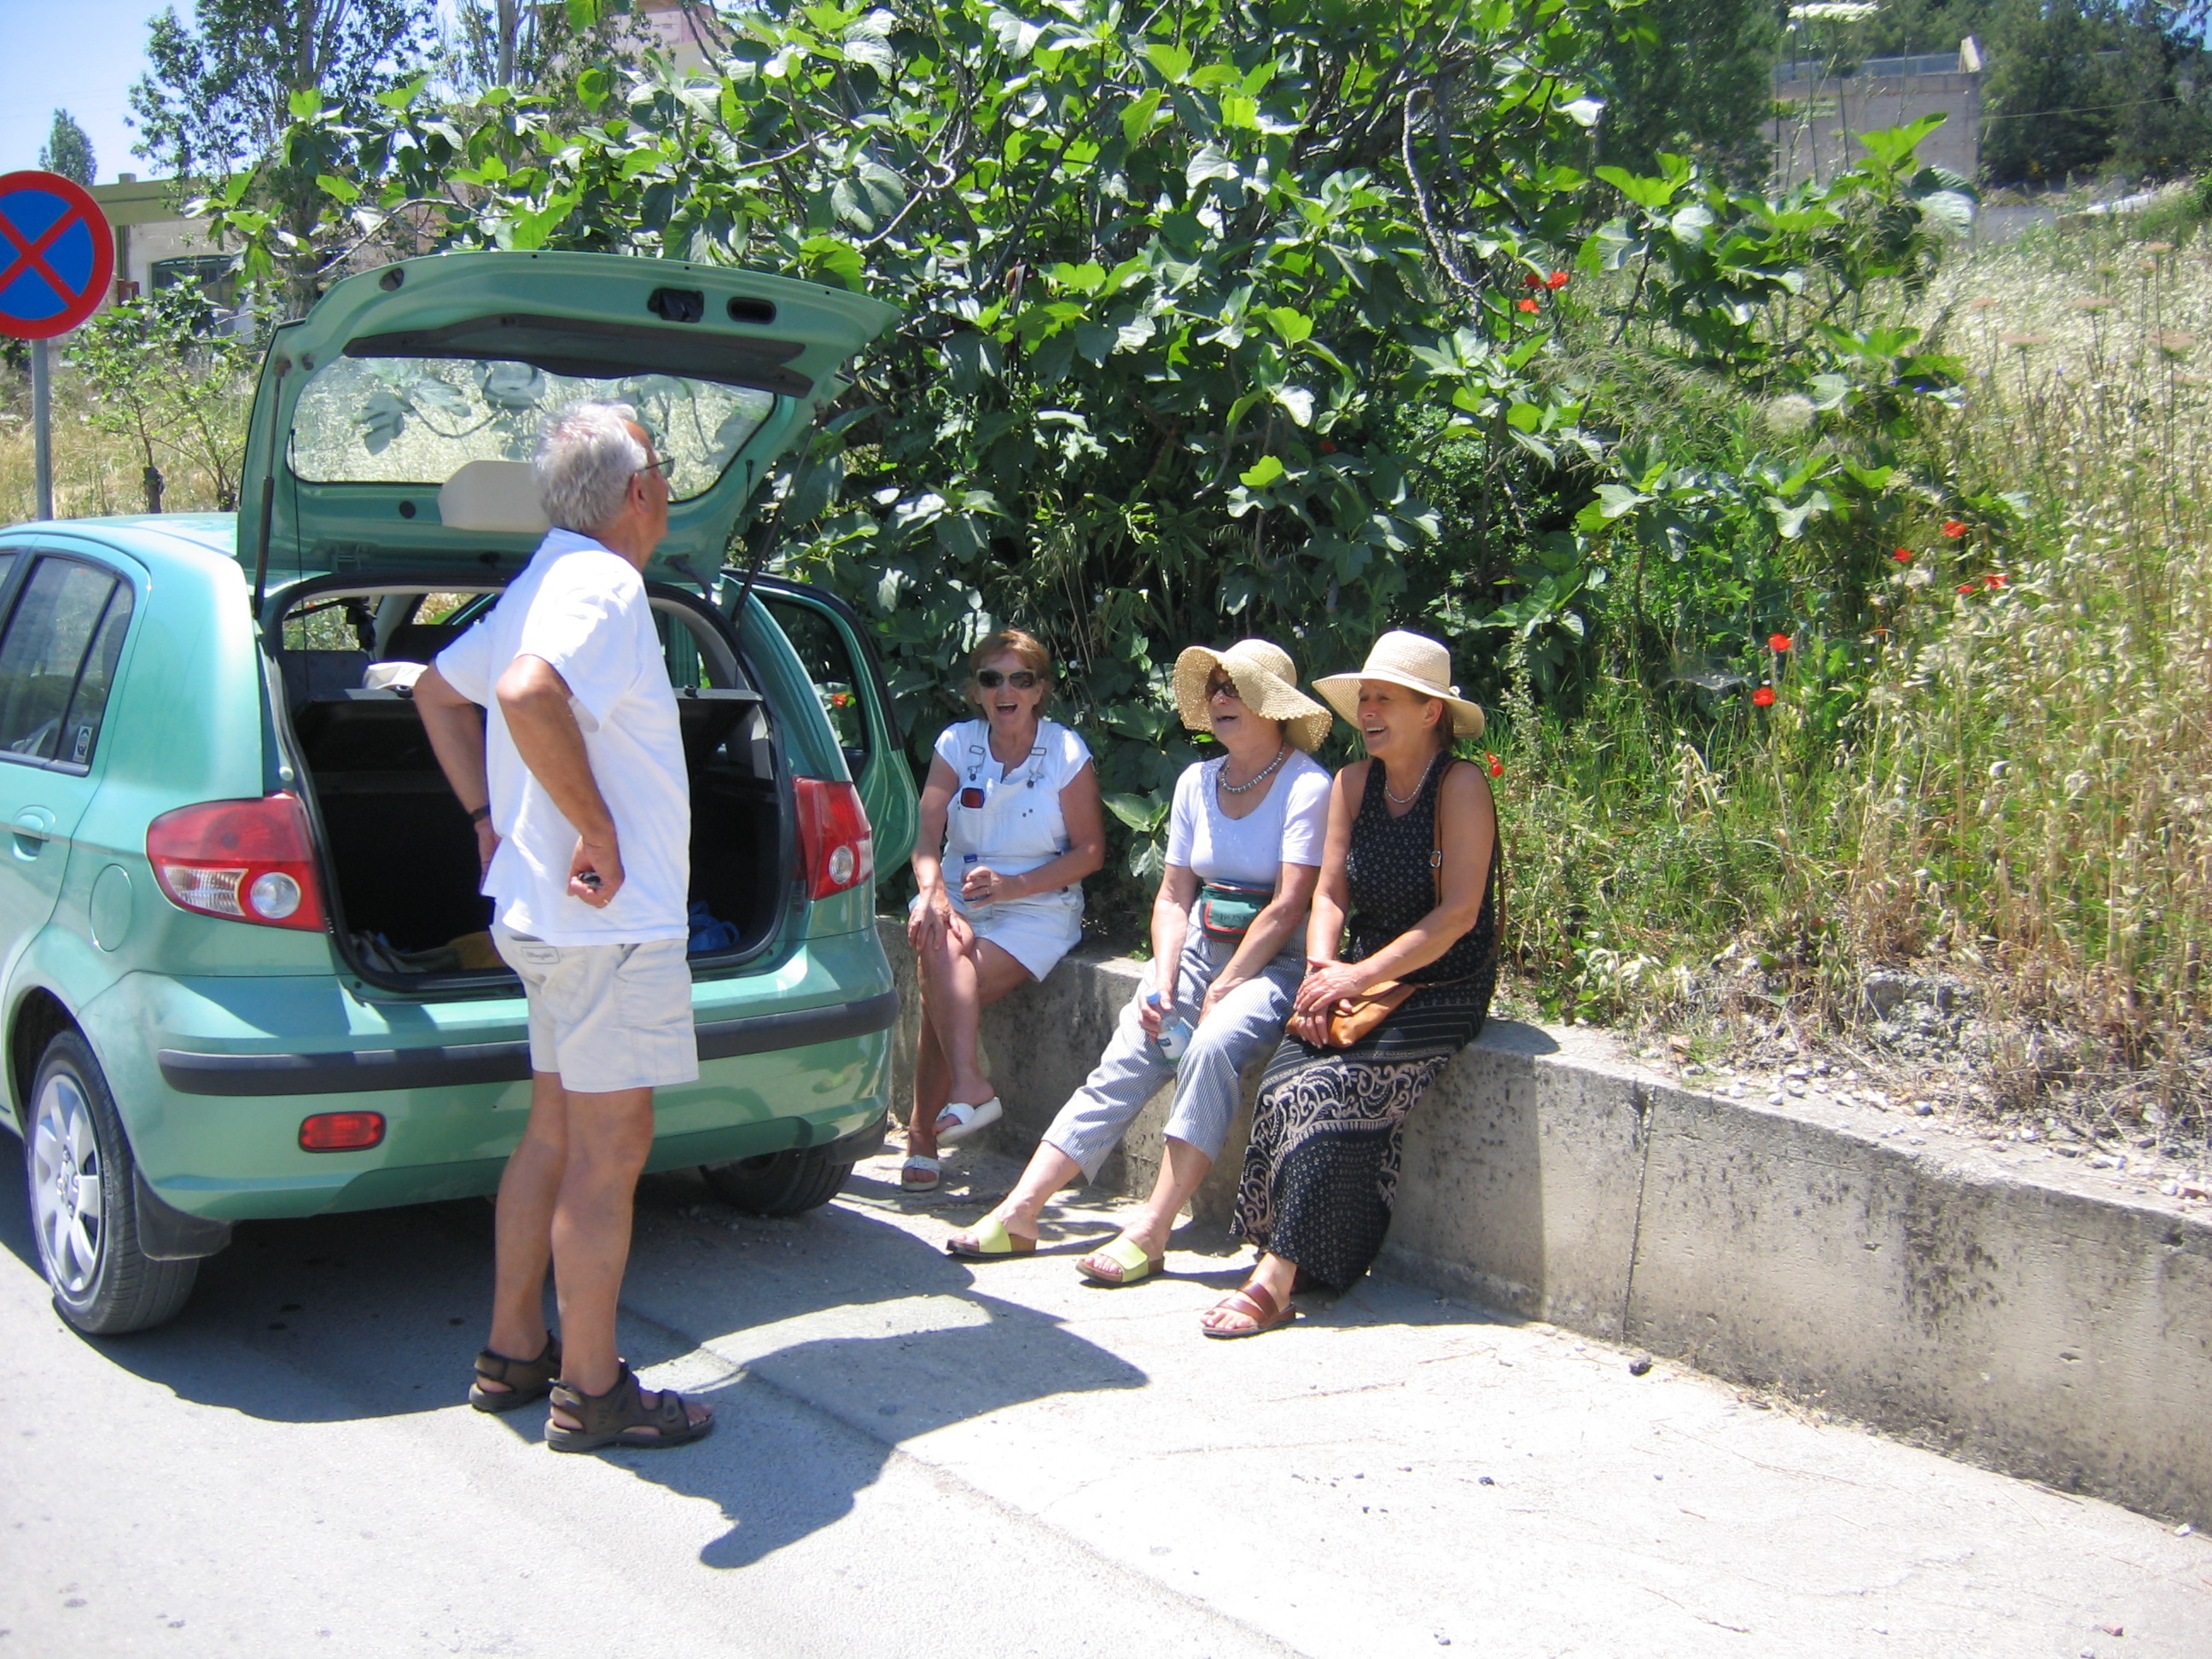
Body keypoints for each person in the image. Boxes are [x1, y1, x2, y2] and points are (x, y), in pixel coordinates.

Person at [415, 401, 713, 1449]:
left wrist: (490, 823)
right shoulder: (602, 583)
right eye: (665, 467)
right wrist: (596, 832)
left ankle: (511, 1352)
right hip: (604, 928)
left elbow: (434, 695)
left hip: (542, 923)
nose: (670, 484)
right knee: (608, 1152)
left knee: (555, 1130)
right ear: (639, 490)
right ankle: (591, 1390)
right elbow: (523, 691)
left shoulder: (537, 581)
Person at [946, 640, 1334, 1277]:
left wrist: (1228, 984)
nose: (1220, 698)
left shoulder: (1307, 785)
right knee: (1129, 1051)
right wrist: (1163, 977)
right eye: (1214, 687)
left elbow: (1291, 905)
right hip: (1198, 951)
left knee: (1210, 1046)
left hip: (1273, 965)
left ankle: (1153, 1229)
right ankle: (1021, 1212)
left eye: (1235, 687)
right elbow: (1175, 894)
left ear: (1274, 705)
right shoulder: (1195, 782)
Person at [1202, 631, 1501, 1338]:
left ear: (1430, 712)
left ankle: (1276, 1277)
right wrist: (1319, 975)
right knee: (1285, 1078)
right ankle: (1300, 1254)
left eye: (1383, 699)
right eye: (1364, 697)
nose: (1366, 710)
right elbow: (1329, 895)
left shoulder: (1460, 788)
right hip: (1352, 970)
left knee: (1333, 1089)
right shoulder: (1351, 784)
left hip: (1441, 979)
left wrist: (1357, 977)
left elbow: (1459, 915)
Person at [902, 630, 1105, 1193]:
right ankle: (969, 1085)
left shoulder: (1066, 752)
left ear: (1039, 691)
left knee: (942, 986)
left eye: (1020, 679)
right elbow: (925, 835)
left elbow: (1092, 852)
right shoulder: (956, 744)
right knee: (937, 939)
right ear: (976, 692)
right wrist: (933, 892)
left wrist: (1014, 886)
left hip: (1037, 905)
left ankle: (924, 1132)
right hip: (957, 892)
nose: (1006, 690)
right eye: (993, 679)